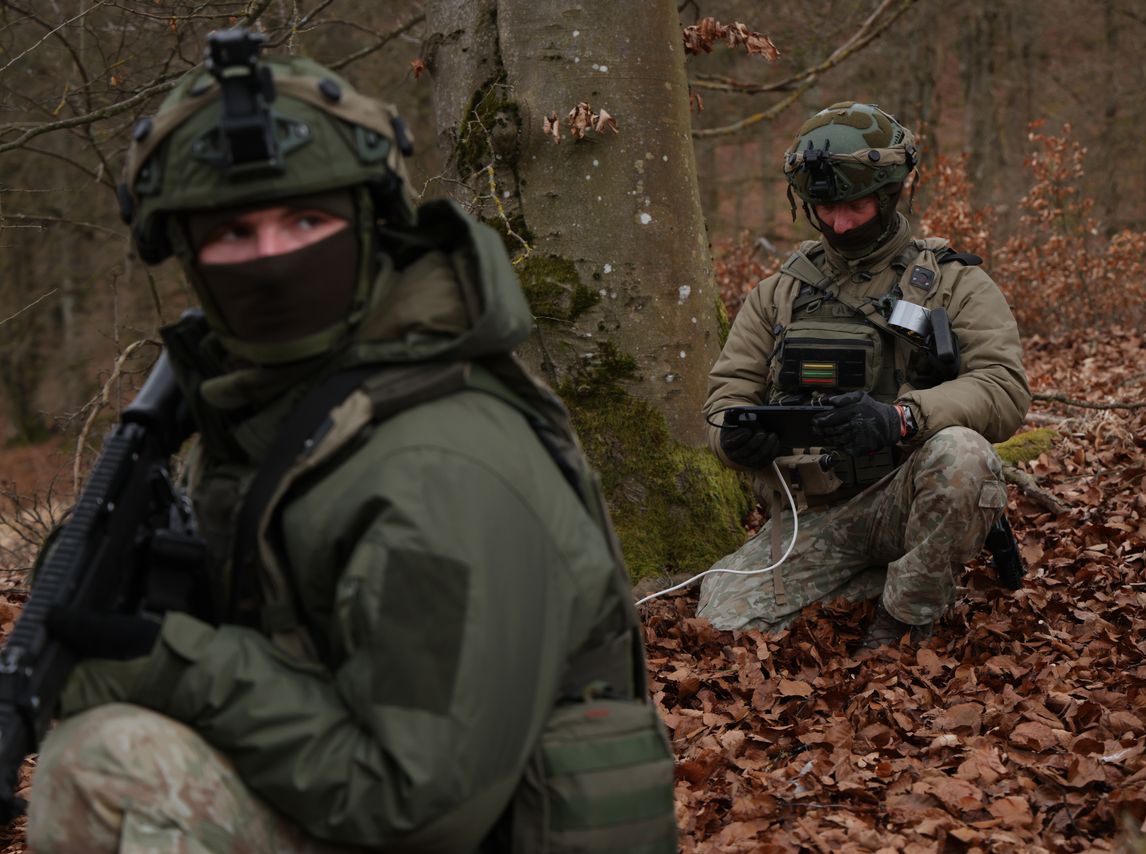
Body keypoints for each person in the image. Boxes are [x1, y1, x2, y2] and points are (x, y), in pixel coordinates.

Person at [26, 32, 676, 853]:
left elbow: (421, 804)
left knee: (109, 767)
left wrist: (172, 666)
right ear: (187, 255)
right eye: (231, 233)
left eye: (305, 219)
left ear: (371, 223)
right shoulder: (292, 411)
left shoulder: (436, 464)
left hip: (457, 826)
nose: (271, 262)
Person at [698, 102, 1030, 649]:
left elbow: (1004, 387)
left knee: (964, 456)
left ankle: (903, 617)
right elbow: (726, 395)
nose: (839, 223)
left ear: (891, 191)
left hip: (904, 494)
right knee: (721, 621)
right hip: (813, 515)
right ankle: (888, 578)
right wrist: (733, 438)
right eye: (823, 207)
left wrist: (902, 417)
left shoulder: (952, 283)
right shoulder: (779, 293)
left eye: (853, 205)